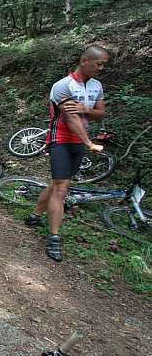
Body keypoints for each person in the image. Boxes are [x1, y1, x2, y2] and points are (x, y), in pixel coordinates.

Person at [24, 45, 108, 262]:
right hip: (60, 140)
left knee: (60, 184)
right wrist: (89, 143)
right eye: (99, 64)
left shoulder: (97, 86)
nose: (101, 68)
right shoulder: (63, 86)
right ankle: (54, 237)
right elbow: (71, 119)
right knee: (61, 189)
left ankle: (34, 216)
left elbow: (100, 114)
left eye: (103, 65)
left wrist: (87, 110)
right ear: (85, 61)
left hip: (78, 142)